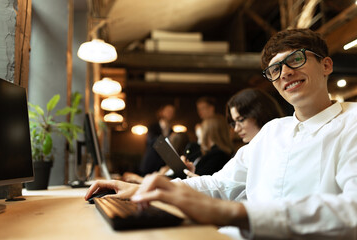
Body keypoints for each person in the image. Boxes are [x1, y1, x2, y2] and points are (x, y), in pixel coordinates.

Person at [85, 29, 357, 239]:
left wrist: (234, 212)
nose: (285, 72)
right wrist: (141, 189)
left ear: (326, 66)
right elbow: (218, 184)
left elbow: (352, 212)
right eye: (275, 69)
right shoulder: (273, 131)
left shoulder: (352, 122)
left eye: (295, 59)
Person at [139, 104, 175, 176]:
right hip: (150, 164)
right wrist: (168, 139)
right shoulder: (152, 127)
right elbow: (151, 141)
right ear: (162, 112)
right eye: (168, 111)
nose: (170, 113)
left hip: (162, 167)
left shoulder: (172, 130)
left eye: (172, 112)